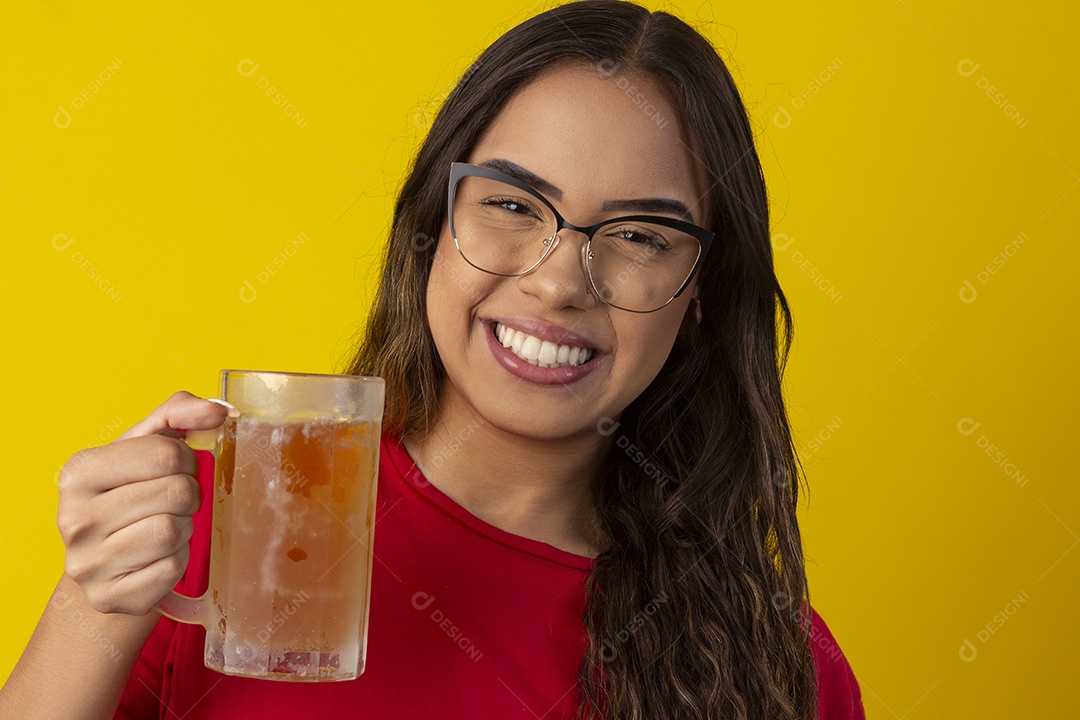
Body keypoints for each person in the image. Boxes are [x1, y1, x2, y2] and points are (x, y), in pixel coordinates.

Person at [0, 1, 865, 718]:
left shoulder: (775, 664)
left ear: (702, 288)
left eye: (640, 235)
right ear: (432, 227)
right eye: (513, 204)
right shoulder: (238, 524)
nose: (560, 282)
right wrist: (93, 601)